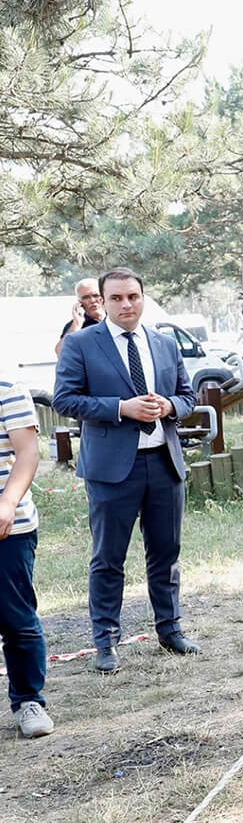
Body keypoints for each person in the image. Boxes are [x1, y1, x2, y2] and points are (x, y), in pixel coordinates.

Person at [52, 267, 202, 673]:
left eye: (132, 296)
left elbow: (188, 395)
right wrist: (121, 408)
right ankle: (106, 641)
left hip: (164, 463)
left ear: (143, 297)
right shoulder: (82, 344)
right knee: (108, 559)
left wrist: (170, 406)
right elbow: (64, 400)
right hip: (111, 470)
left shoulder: (165, 343)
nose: (126, 305)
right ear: (102, 301)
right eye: (116, 298)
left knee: (166, 553)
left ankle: (169, 630)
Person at [1, 379, 51, 737]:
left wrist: (7, 503)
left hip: (8, 528)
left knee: (16, 618)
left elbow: (28, 453)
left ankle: (28, 701)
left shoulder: (8, 388)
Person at [55, 278, 106, 357]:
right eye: (86, 297)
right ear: (79, 302)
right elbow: (61, 353)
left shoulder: (116, 318)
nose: (92, 300)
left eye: (96, 295)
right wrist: (77, 325)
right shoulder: (75, 326)